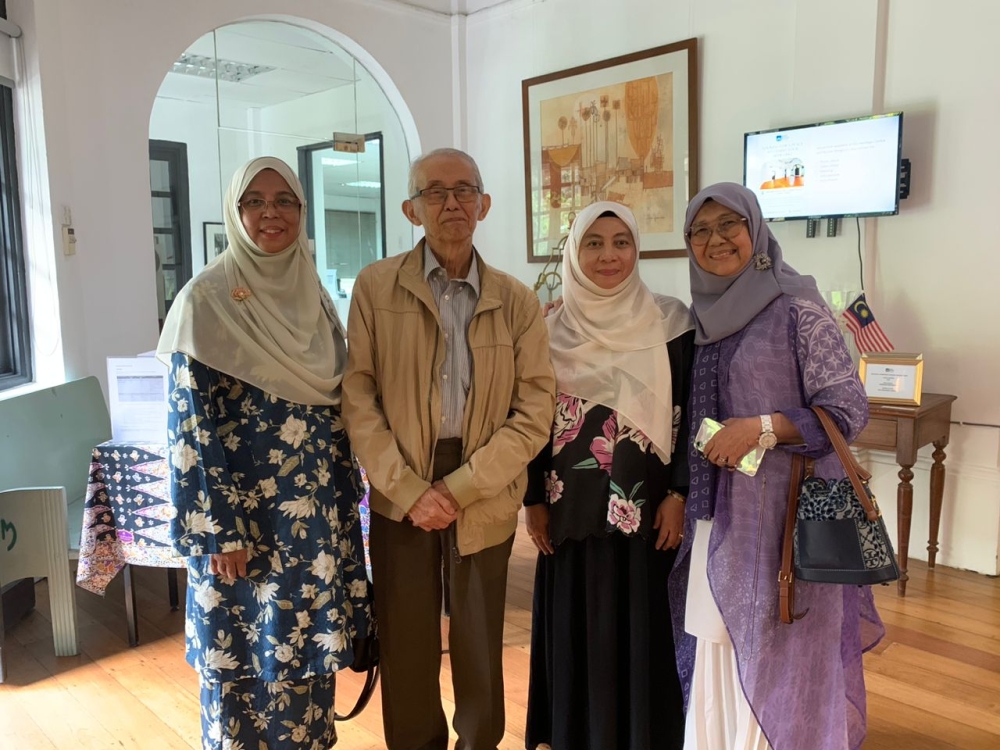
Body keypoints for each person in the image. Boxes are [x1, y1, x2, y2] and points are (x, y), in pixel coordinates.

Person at [341, 147, 556, 750]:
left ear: (484, 205)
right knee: (406, 639)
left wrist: (458, 488)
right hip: (398, 488)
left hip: (482, 484)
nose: (451, 202)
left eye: (464, 190)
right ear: (413, 209)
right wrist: (412, 491)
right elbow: (358, 398)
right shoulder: (375, 287)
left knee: (479, 642)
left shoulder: (517, 301)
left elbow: (534, 410)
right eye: (435, 192)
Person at [157, 156, 373, 750]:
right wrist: (218, 532)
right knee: (244, 675)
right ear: (235, 211)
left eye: (286, 201)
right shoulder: (205, 301)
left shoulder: (316, 297)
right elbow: (188, 431)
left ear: (303, 213)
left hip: (313, 525)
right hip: (243, 535)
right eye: (255, 200)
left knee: (307, 672)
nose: (271, 213)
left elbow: (337, 405)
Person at [668, 183, 884, 750]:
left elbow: (847, 408)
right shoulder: (701, 316)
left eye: (729, 225)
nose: (716, 240)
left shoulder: (796, 307)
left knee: (780, 642)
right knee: (717, 639)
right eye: (701, 230)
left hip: (782, 521)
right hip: (718, 514)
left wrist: (760, 427)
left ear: (756, 231)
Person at [524, 201, 694, 750]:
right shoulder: (547, 328)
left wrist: (679, 493)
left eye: (621, 241)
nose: (609, 255)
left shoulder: (674, 323)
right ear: (574, 251)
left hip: (646, 509)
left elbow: (692, 412)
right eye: (593, 243)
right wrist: (532, 500)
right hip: (569, 507)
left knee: (642, 623)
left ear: (637, 249)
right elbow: (528, 420)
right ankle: (578, 734)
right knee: (580, 624)